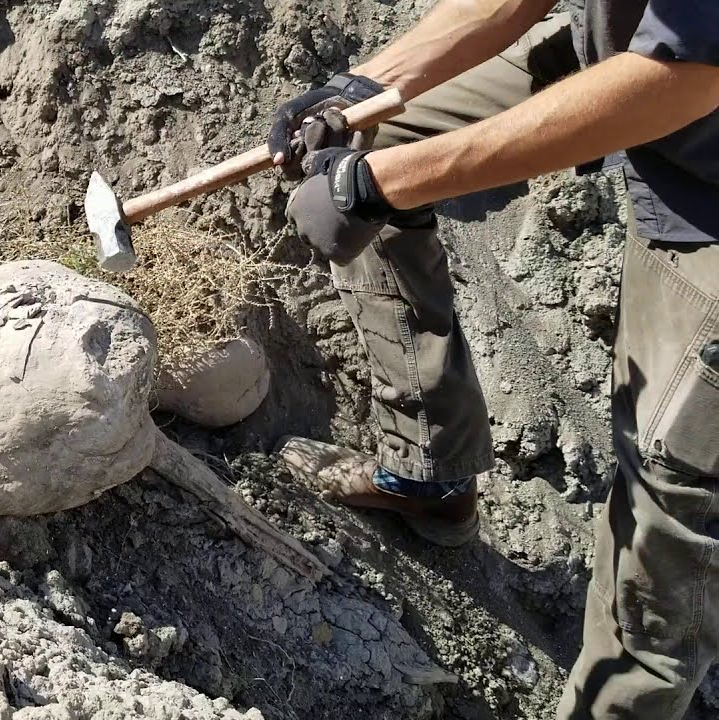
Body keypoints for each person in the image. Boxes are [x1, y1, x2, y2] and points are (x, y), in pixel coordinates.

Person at [265, 0, 719, 717]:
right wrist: (362, 88)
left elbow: (686, 74)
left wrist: (379, 184)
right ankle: (431, 474)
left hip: (702, 175)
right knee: (381, 134)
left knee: (659, 551)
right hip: (643, 61)